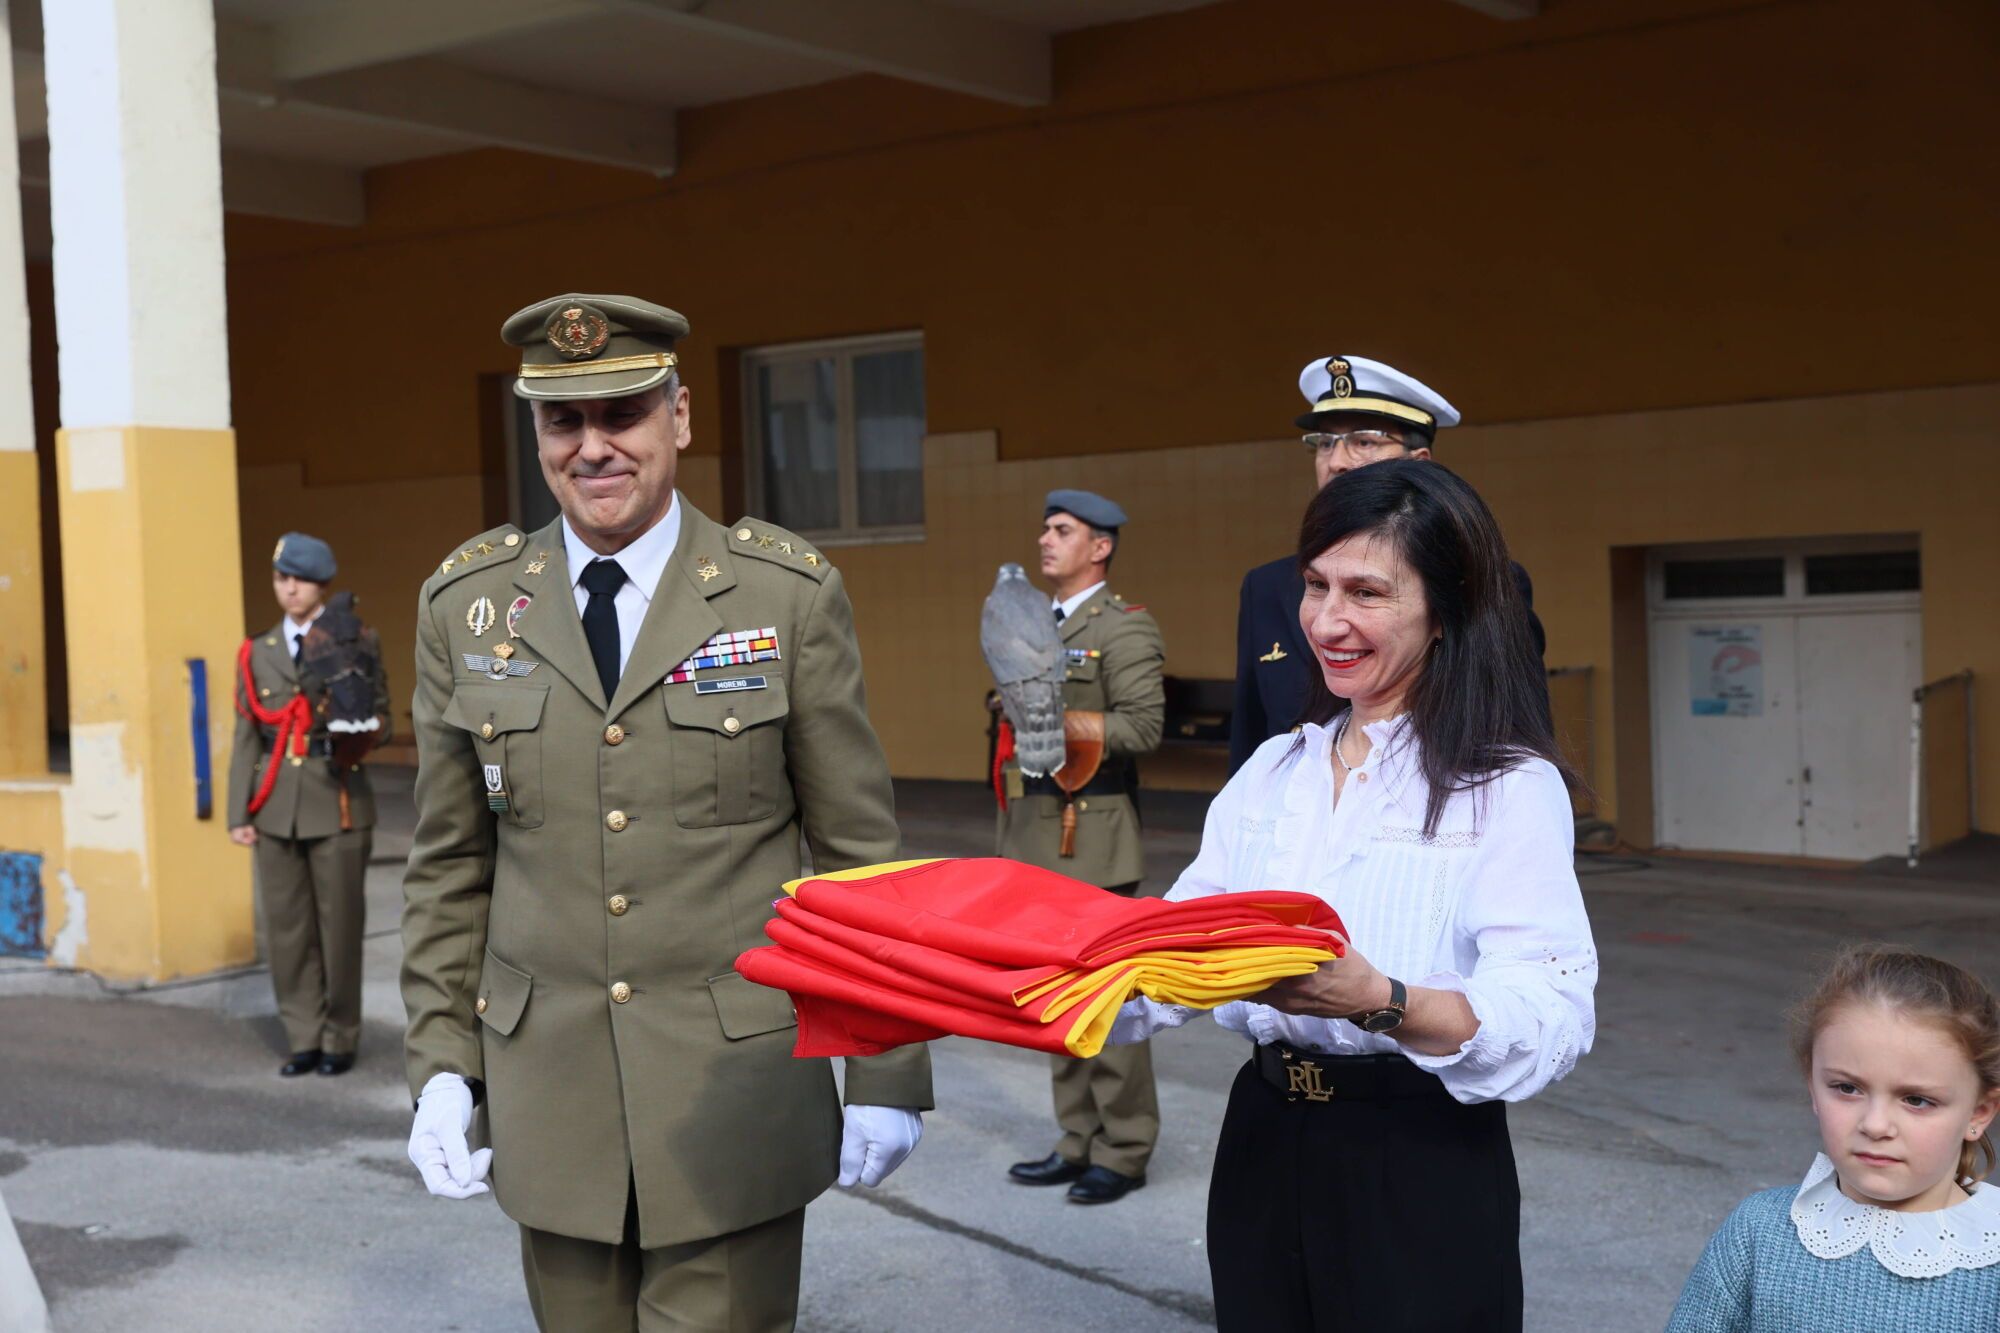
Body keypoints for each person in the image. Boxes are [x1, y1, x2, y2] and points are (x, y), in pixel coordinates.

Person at [400, 293, 933, 1331]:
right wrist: (438, 1066)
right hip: (546, 1095)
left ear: (679, 418)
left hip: (730, 1093)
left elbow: (858, 854)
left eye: (622, 414)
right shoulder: (464, 607)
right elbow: (449, 865)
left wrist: (884, 1062)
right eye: (565, 421)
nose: (594, 447)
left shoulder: (781, 594)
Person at [1112, 457, 1596, 1330]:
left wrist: (1382, 1001)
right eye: (1315, 585)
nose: (1327, 621)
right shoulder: (1272, 773)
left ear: (1444, 610)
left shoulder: (1506, 785)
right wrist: (996, 971)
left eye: (1367, 592)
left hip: (1418, 1152)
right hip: (1263, 1138)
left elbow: (1551, 1013)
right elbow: (1168, 954)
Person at [1229, 355, 1546, 775]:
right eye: (1325, 442)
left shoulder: (1485, 579)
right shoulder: (1266, 586)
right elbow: (1250, 740)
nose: (1337, 461)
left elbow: (1517, 732)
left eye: (1365, 441)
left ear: (1419, 464)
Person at [1667, 946, 2000, 1331]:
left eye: (1916, 1100)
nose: (1875, 1125)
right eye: (1847, 1088)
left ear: (1978, 1112)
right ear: (1813, 1087)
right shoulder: (1758, 1232)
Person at [997, 490, 1165, 1206]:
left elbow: (1144, 726)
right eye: (1043, 528)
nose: (1045, 540)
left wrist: (1058, 719)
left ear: (1099, 547)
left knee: (1108, 1000)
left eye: (1062, 531)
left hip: (1091, 832)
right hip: (1034, 830)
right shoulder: (1030, 621)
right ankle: (1076, 1138)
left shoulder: (1123, 627)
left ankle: (1124, 1148)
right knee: (1053, 999)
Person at [226, 532, 389, 1078]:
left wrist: (362, 731)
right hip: (274, 806)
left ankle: (340, 1036)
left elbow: (384, 716)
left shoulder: (355, 638)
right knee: (287, 930)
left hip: (337, 797)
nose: (288, 588)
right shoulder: (258, 651)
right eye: (280, 578)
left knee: (339, 928)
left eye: (298, 579)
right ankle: (302, 1036)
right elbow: (247, 733)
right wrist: (238, 813)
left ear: (321, 584)